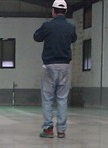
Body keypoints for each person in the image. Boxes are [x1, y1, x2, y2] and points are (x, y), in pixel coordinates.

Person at [33, 0, 77, 138]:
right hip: (65, 67)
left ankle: (48, 129)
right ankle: (61, 130)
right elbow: (74, 39)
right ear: (65, 11)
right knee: (62, 99)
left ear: (53, 11)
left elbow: (36, 37)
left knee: (47, 98)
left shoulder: (47, 25)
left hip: (50, 66)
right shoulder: (70, 27)